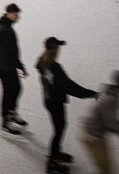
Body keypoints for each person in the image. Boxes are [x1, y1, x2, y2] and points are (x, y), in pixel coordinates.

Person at [36, 37, 99, 172]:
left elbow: (40, 69)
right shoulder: (55, 67)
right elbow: (69, 86)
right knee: (59, 129)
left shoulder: (42, 62)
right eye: (58, 47)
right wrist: (90, 93)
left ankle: (56, 152)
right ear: (55, 50)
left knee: (58, 127)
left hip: (48, 100)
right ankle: (52, 161)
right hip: (56, 102)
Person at [0, 3, 28, 135]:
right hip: (6, 67)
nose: (17, 17)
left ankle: (11, 114)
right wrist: (21, 67)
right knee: (9, 93)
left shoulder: (5, 26)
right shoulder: (5, 30)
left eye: (17, 14)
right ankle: (6, 121)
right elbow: (11, 53)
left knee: (15, 90)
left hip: (6, 66)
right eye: (15, 15)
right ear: (8, 14)